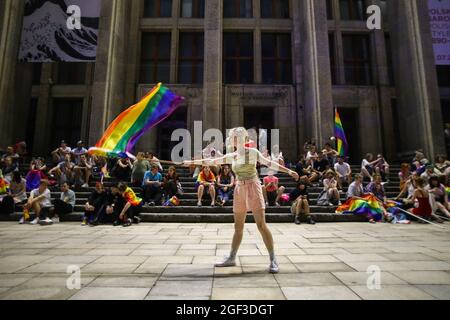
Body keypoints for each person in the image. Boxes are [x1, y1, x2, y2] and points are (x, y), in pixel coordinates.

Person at [183, 127, 299, 274]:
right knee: (238, 227)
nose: (233, 139)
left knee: (261, 225)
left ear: (243, 139)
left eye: (236, 137)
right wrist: (191, 162)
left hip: (253, 187)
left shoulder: (253, 153)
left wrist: (289, 171)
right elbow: (212, 160)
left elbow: (270, 164)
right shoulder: (232, 155)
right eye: (233, 137)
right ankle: (231, 257)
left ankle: (273, 259)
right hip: (239, 189)